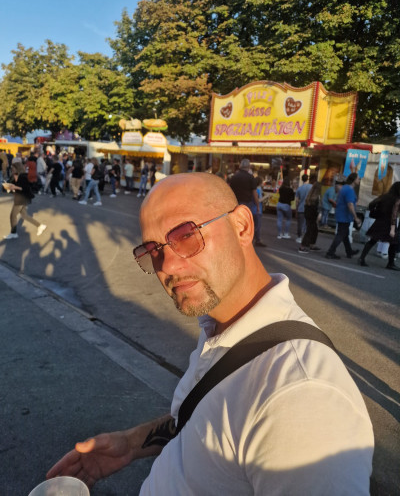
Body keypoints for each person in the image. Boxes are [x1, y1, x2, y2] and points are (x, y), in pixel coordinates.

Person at [47, 173, 373, 494]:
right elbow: (200, 420)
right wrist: (130, 444)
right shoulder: (222, 324)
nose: (167, 266)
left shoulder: (302, 398)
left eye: (186, 235)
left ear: (241, 226)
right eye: (153, 250)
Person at [358, 181, 400, 270]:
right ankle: (391, 263)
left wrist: (376, 212)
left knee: (373, 240)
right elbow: (394, 214)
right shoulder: (397, 199)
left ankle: (361, 258)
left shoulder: (384, 196)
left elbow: (371, 204)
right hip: (389, 223)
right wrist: (392, 228)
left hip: (380, 221)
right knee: (393, 243)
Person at [3, 162, 46, 240]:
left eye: (13, 168)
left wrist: (14, 187)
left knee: (13, 215)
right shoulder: (16, 175)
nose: (12, 169)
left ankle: (13, 233)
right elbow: (15, 186)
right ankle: (40, 226)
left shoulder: (23, 176)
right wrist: (9, 187)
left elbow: (24, 188)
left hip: (21, 198)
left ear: (17, 168)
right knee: (24, 215)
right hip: (20, 197)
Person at [325, 173, 361, 260]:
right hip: (345, 216)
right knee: (341, 234)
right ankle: (330, 252)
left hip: (341, 214)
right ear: (354, 180)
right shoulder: (349, 190)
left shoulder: (344, 188)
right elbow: (350, 204)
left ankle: (349, 251)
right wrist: (356, 217)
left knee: (345, 234)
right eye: (358, 179)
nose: (359, 180)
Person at [298, 180, 322, 253]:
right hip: (313, 215)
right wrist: (318, 215)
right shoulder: (317, 197)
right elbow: (317, 208)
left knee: (313, 230)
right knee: (310, 230)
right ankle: (302, 246)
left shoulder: (309, 195)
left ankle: (311, 244)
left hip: (308, 214)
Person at [250, 176, 267, 247]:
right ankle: (256, 240)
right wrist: (266, 197)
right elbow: (258, 200)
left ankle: (255, 239)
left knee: (254, 225)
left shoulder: (254, 189)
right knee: (257, 226)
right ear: (260, 183)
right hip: (257, 210)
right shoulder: (257, 190)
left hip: (253, 209)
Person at [295, 174, 312, 242]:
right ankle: (305, 237)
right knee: (307, 223)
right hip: (309, 208)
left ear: (302, 179)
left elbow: (297, 201)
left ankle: (299, 237)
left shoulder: (299, 188)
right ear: (308, 179)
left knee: (300, 224)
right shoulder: (311, 187)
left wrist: (296, 209)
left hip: (301, 208)